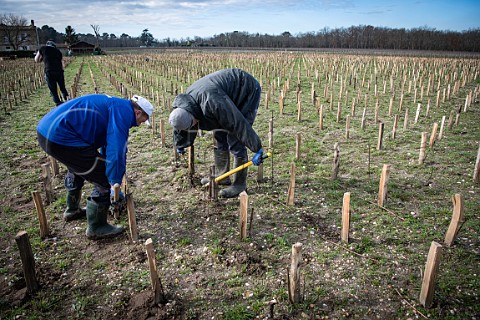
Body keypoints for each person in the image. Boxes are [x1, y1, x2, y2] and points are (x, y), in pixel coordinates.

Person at [36, 94, 153, 240]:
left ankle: (72, 209)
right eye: (144, 120)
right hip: (60, 136)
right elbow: (116, 151)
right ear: (138, 112)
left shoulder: (117, 106)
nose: (141, 123)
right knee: (102, 174)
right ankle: (96, 227)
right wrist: (113, 183)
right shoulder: (123, 113)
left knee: (80, 165)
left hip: (47, 131)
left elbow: (107, 143)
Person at [168, 68, 264, 198]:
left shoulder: (211, 102)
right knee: (219, 134)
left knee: (235, 138)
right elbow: (180, 124)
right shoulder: (185, 105)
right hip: (223, 94)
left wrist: (256, 147)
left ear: (193, 115)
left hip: (245, 90)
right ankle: (222, 175)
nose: (195, 126)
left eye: (193, 124)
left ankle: (239, 184)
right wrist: (180, 143)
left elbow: (237, 122)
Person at [34, 40, 69, 106]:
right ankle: (68, 100)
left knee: (53, 89)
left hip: (49, 71)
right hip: (59, 71)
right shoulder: (58, 51)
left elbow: (36, 60)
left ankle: (58, 103)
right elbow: (62, 63)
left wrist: (42, 59)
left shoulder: (43, 48)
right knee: (62, 88)